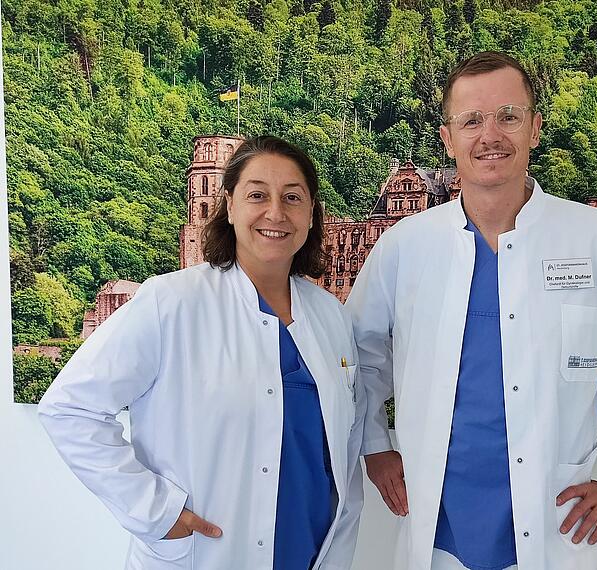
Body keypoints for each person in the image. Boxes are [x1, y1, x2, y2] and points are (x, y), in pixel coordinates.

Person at [346, 52, 597, 570]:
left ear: (535, 127)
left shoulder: (596, 239)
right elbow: (359, 353)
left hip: (554, 518)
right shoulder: (405, 245)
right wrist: (374, 443)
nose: (490, 135)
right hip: (438, 520)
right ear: (448, 138)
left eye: (508, 116)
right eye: (471, 121)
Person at [38, 136, 364, 570]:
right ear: (229, 206)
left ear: (310, 214)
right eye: (257, 195)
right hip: (205, 552)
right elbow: (69, 408)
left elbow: (342, 444)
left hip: (310, 551)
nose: (275, 213)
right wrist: (155, 510)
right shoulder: (171, 301)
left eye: (292, 197)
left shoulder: (331, 316)